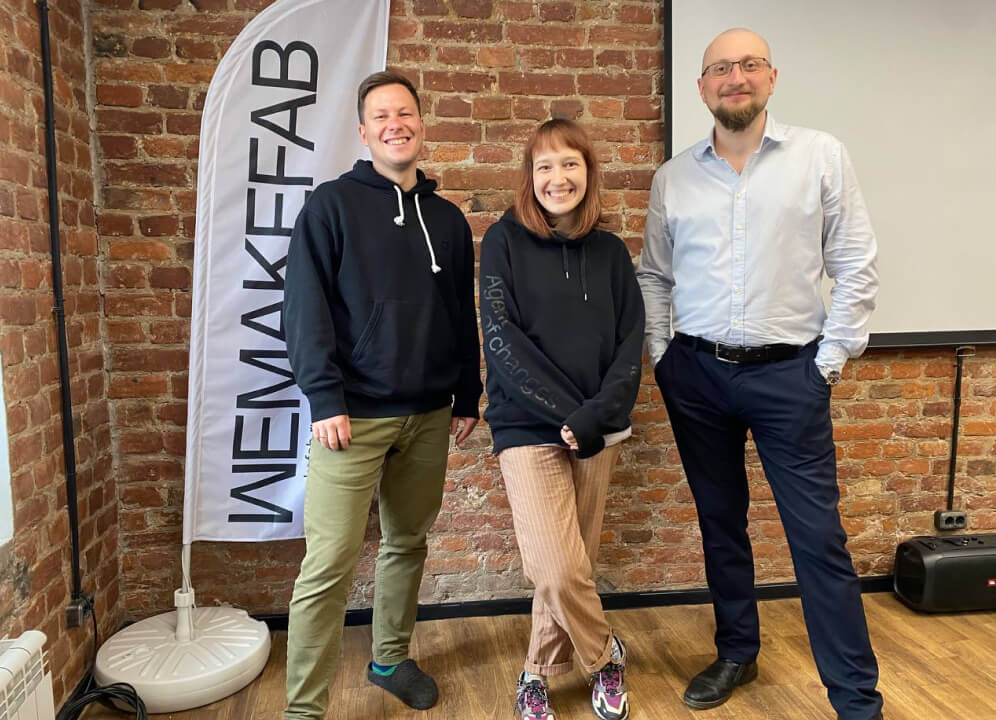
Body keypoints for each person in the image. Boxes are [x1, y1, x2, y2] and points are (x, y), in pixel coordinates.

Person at [636, 28, 884, 720]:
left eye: (748, 65)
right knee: (721, 523)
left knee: (818, 539)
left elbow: (856, 263)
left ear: (771, 77)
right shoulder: (674, 177)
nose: (734, 77)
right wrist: (663, 356)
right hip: (696, 374)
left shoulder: (820, 156)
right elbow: (655, 275)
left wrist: (827, 363)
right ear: (702, 87)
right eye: (721, 68)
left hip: (789, 377)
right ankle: (737, 651)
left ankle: (856, 700)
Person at [282, 71, 482, 719]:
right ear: (364, 133)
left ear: (421, 124)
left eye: (406, 113)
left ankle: (390, 659)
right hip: (352, 415)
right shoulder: (331, 206)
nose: (396, 124)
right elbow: (303, 309)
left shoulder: (448, 220)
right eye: (381, 116)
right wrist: (324, 398)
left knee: (407, 542)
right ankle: (303, 711)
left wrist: (468, 393)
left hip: (429, 413)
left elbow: (460, 313)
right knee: (329, 564)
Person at [480, 118, 645, 720]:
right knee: (553, 566)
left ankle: (535, 673)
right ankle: (604, 656)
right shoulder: (503, 241)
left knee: (574, 563)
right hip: (526, 425)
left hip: (600, 428)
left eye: (570, 164)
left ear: (588, 172)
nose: (558, 178)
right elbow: (500, 338)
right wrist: (565, 414)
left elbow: (631, 343)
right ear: (530, 176)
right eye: (544, 166)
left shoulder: (611, 253)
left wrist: (595, 415)